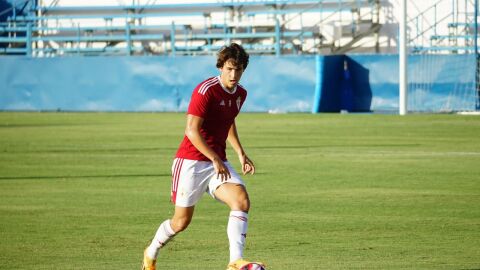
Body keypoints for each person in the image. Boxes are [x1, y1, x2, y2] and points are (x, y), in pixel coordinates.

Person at [142, 43, 264, 270]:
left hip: (217, 163)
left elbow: (227, 122)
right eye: (229, 68)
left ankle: (234, 261)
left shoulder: (240, 94)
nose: (234, 74)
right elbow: (191, 130)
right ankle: (151, 252)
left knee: (241, 200)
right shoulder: (205, 90)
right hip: (190, 162)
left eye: (238, 70)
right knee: (181, 222)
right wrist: (215, 158)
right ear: (221, 67)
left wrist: (240, 152)